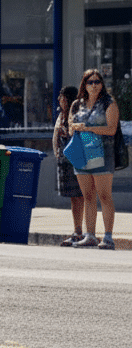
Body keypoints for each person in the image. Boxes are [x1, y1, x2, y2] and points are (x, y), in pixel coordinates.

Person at [69, 69, 119, 249]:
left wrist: (89, 128)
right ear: (84, 84)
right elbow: (70, 128)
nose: (94, 85)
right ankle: (90, 235)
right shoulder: (77, 104)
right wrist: (76, 127)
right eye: (90, 82)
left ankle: (108, 237)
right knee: (87, 196)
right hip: (81, 153)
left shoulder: (108, 103)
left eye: (97, 81)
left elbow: (111, 129)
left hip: (102, 153)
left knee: (104, 196)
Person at [50, 85, 85, 246]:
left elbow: (80, 133)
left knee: (81, 196)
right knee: (73, 198)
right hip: (64, 160)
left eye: (62, 97)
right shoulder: (61, 115)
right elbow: (56, 135)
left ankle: (84, 232)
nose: (59, 100)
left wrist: (68, 132)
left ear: (68, 98)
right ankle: (77, 230)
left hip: (77, 160)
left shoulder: (77, 113)